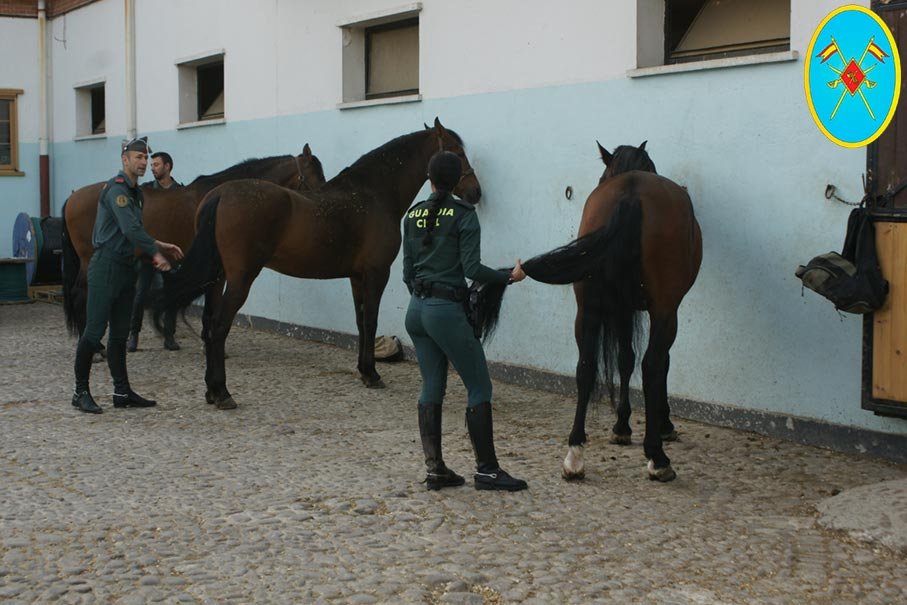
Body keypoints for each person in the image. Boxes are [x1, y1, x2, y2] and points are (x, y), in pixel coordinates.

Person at [403, 151, 528, 492]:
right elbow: (472, 269)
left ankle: (436, 469)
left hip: (416, 311)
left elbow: (406, 273)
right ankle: (487, 470)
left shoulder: (411, 215)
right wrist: (509, 277)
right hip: (446, 312)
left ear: (429, 179)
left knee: (432, 386)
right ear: (458, 182)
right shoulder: (464, 215)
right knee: (479, 387)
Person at [70, 137, 184, 414]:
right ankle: (80, 392)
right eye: (138, 158)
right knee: (94, 331)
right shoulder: (117, 189)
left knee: (120, 335)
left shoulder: (137, 193)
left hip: (126, 268)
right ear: (125, 160)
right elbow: (130, 229)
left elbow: (133, 230)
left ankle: (121, 391)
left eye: (146, 158)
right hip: (106, 266)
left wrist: (160, 244)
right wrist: (156, 255)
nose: (144, 163)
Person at [128, 151, 183, 351]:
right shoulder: (145, 191)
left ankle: (169, 335)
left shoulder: (180, 192)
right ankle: (133, 335)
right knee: (140, 294)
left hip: (171, 254)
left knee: (172, 295)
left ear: (167, 166)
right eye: (152, 165)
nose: (152, 168)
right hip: (148, 252)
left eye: (156, 164)